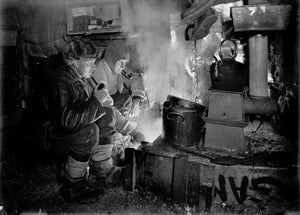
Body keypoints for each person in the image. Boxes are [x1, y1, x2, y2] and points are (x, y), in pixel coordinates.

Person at [42, 39, 121, 203]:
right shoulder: (61, 80)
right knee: (90, 131)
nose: (94, 67)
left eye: (94, 62)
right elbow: (68, 121)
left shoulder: (79, 77)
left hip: (60, 132)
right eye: (90, 62)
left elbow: (83, 110)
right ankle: (73, 186)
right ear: (73, 61)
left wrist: (100, 101)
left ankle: (102, 170)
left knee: (107, 114)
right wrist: (96, 101)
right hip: (47, 137)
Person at [92, 40, 147, 143]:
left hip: (111, 101)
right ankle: (114, 136)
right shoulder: (99, 73)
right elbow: (107, 106)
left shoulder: (117, 67)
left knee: (128, 99)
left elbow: (135, 79)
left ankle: (120, 130)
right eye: (121, 62)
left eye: (125, 63)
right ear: (112, 58)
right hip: (98, 108)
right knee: (110, 113)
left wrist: (136, 99)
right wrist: (132, 131)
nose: (123, 66)